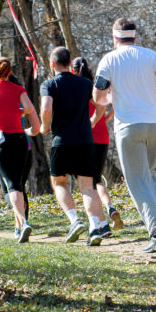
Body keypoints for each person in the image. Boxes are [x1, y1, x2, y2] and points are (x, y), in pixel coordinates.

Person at [93, 18, 156, 253]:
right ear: (135, 36)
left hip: (128, 126)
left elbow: (98, 94)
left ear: (114, 38)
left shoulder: (109, 59)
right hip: (155, 123)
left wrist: (109, 99)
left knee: (137, 181)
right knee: (150, 174)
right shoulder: (150, 54)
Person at [40, 47, 106, 245]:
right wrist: (94, 119)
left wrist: (44, 126)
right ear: (70, 63)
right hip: (85, 141)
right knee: (87, 186)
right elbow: (101, 102)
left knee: (59, 183)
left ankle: (75, 221)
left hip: (62, 141)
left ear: (53, 64)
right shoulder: (85, 83)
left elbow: (46, 108)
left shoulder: (49, 84)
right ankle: (95, 228)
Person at [0, 57, 41, 243]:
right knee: (19, 183)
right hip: (21, 140)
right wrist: (17, 111)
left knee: (11, 184)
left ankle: (23, 223)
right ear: (9, 72)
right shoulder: (18, 89)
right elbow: (29, 108)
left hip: (2, 140)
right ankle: (20, 224)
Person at [71, 57, 120, 234]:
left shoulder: (77, 88)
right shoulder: (96, 86)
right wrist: (104, 119)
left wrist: (91, 122)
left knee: (87, 183)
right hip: (102, 137)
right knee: (97, 178)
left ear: (72, 70)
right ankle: (109, 207)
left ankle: (101, 223)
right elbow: (112, 102)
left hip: (85, 137)